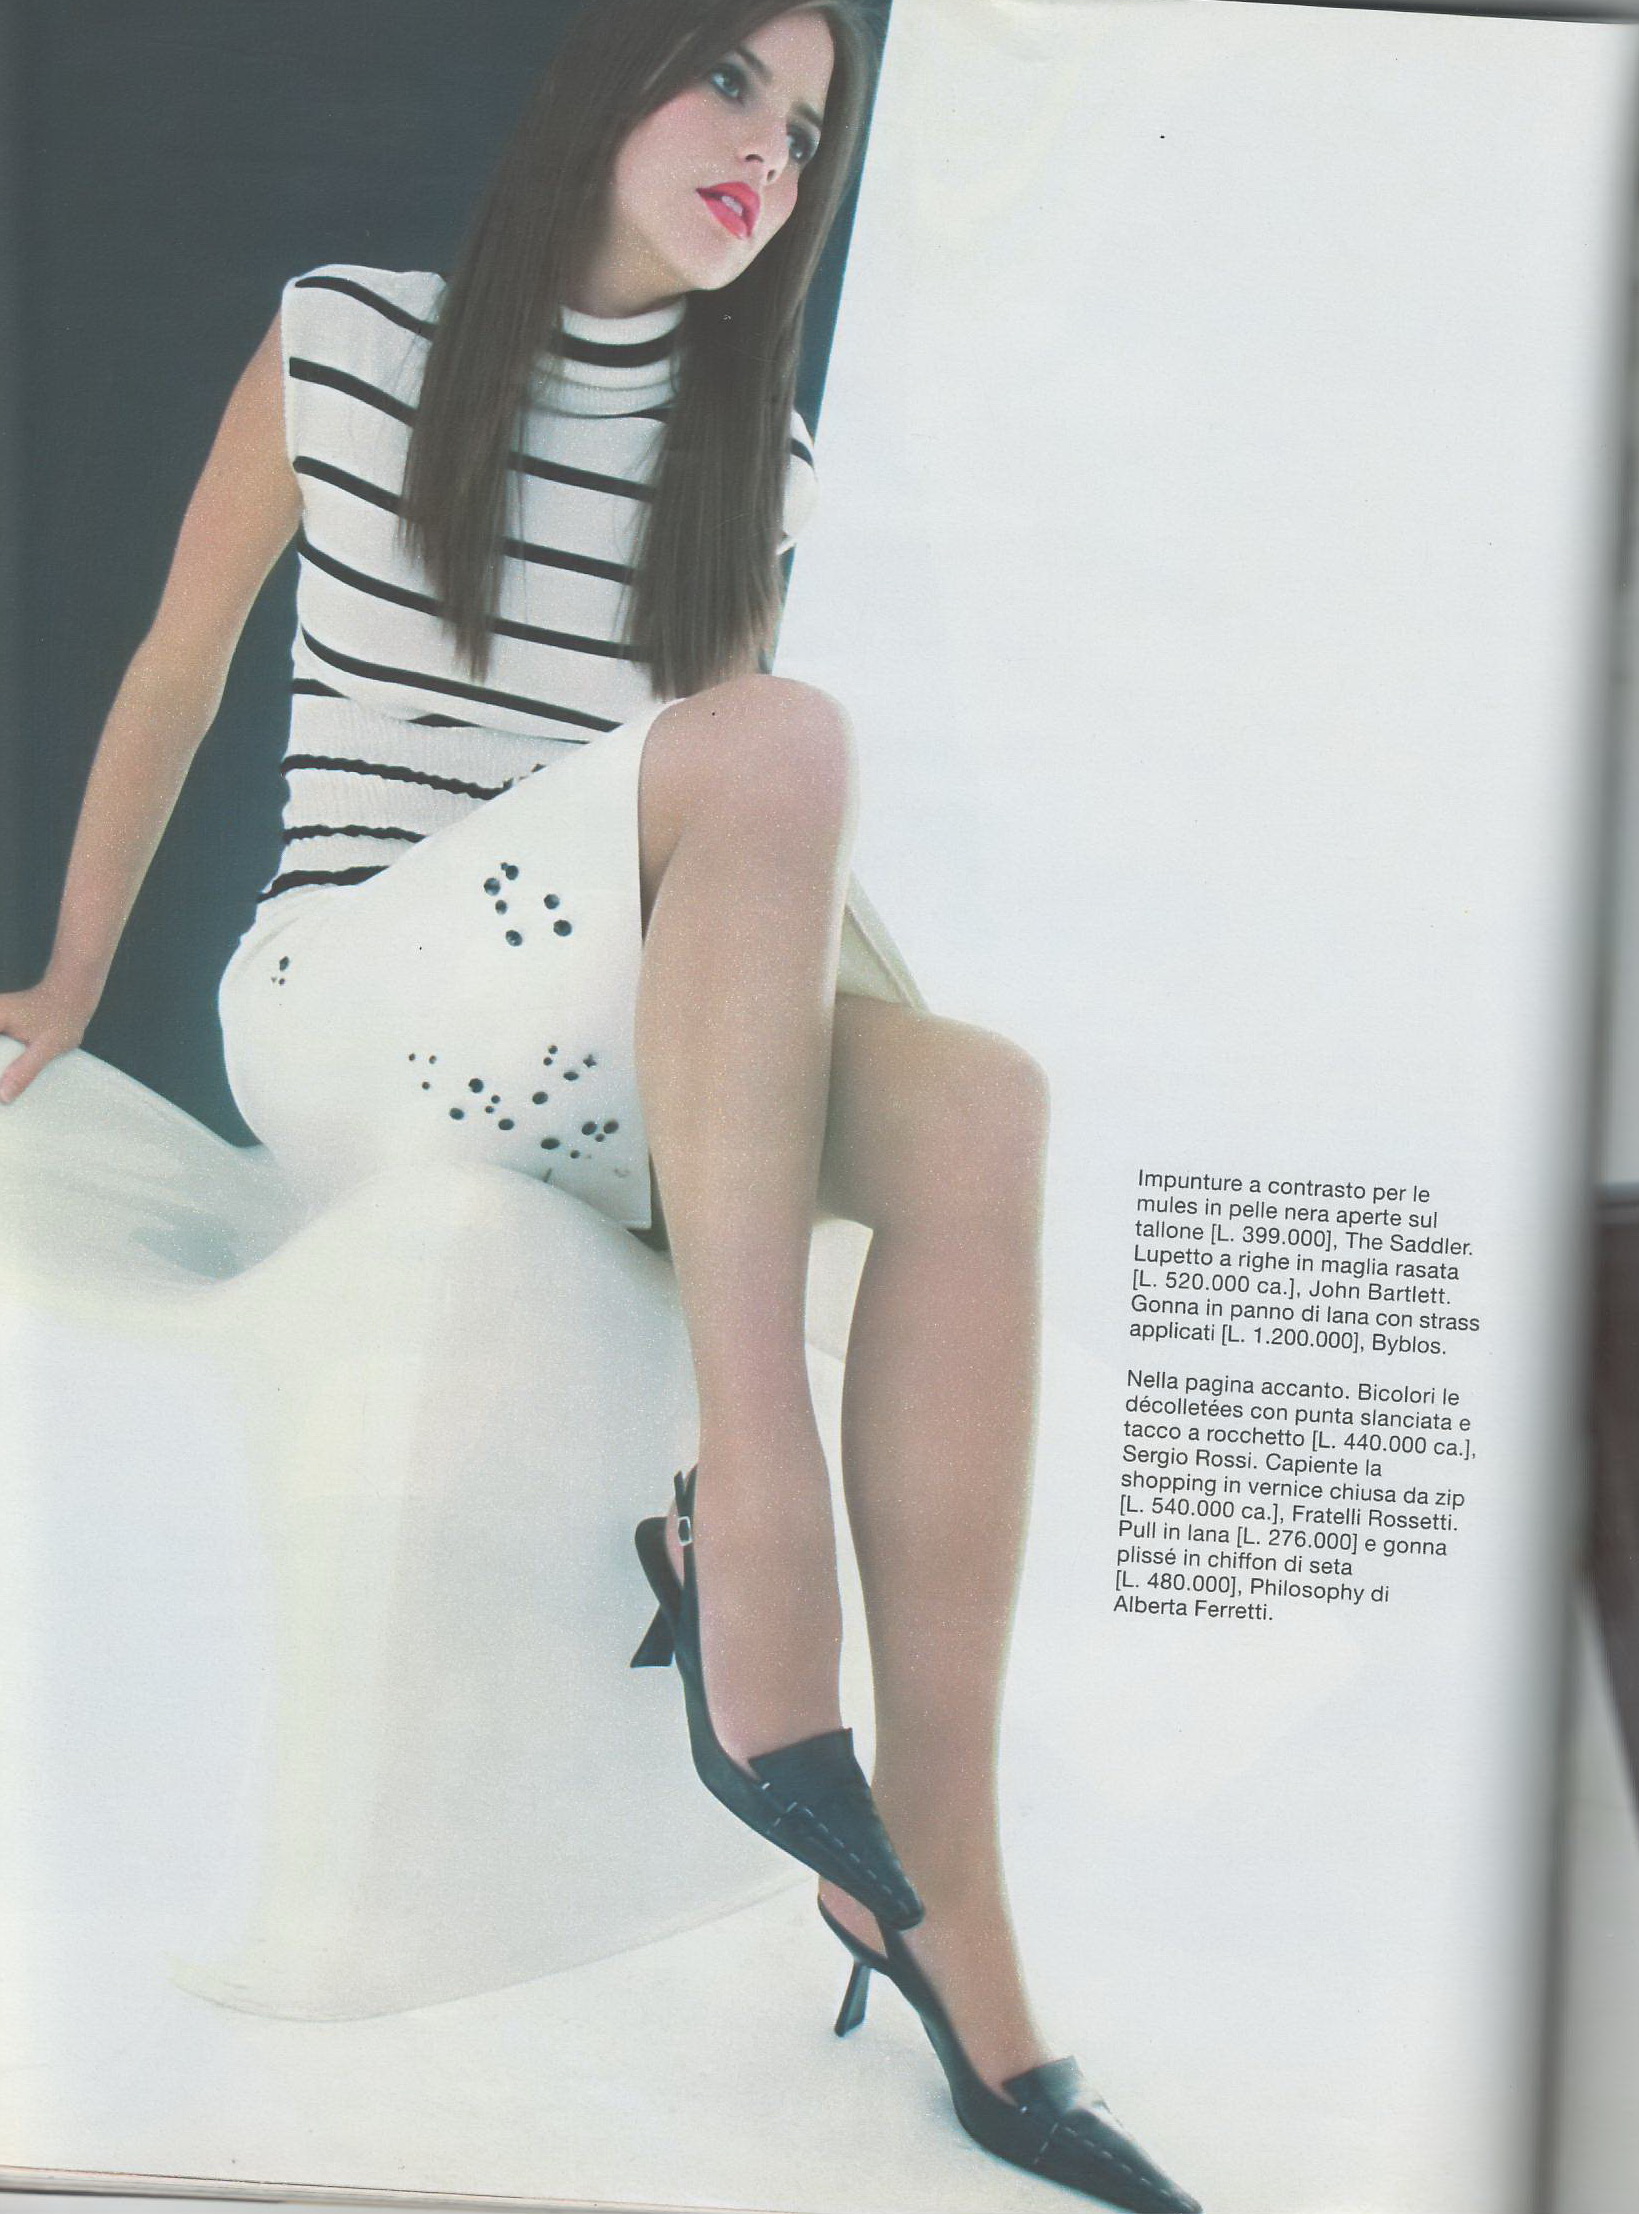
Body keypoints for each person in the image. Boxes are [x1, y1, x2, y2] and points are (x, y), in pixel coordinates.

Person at [0, 5, 1198, 2207]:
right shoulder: (350, 342)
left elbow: (726, 892)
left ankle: (936, 1880)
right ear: (612, 80)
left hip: (586, 1040)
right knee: (779, 744)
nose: (770, 152)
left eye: (809, 130)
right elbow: (176, 670)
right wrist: (69, 978)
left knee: (983, 1107)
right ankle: (753, 1519)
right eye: (730, 80)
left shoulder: (758, 463)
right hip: (351, 1009)